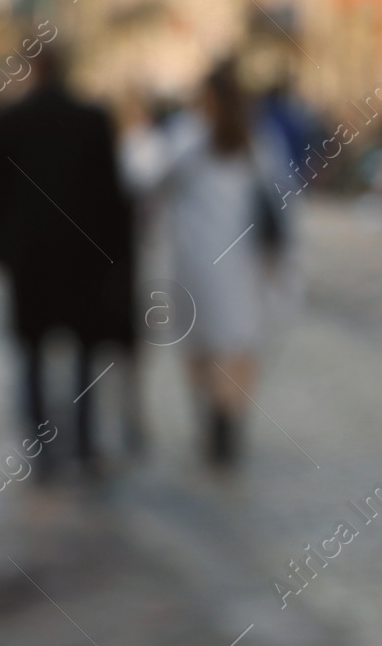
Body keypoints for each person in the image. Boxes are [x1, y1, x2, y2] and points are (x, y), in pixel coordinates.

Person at [123, 59, 295, 468]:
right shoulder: (257, 139)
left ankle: (213, 422)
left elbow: (144, 179)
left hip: (197, 261)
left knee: (202, 345)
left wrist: (137, 133)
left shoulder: (187, 136)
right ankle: (229, 420)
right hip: (243, 260)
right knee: (238, 345)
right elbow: (282, 196)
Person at [0, 47, 136, 472]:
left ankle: (41, 449)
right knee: (84, 355)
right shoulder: (93, 119)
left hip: (30, 260)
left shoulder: (9, 122)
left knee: (31, 354)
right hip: (81, 258)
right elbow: (112, 198)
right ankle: (84, 445)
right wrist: (118, 258)